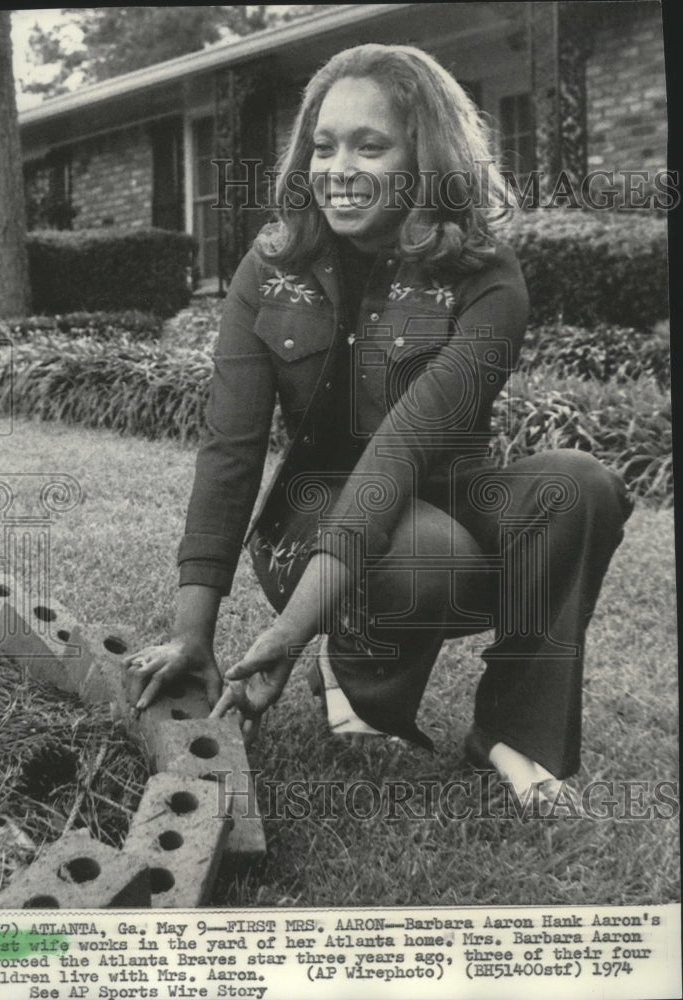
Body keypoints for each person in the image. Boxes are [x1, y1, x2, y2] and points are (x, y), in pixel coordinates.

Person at [123, 44, 633, 803]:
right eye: (323, 146)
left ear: (424, 156)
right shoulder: (270, 267)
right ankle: (360, 677)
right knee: (427, 551)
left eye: (371, 145)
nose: (338, 167)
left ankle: (516, 733)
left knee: (578, 486)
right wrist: (193, 629)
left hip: (445, 492)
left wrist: (288, 639)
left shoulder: (486, 273)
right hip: (313, 517)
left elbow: (404, 447)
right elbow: (228, 450)